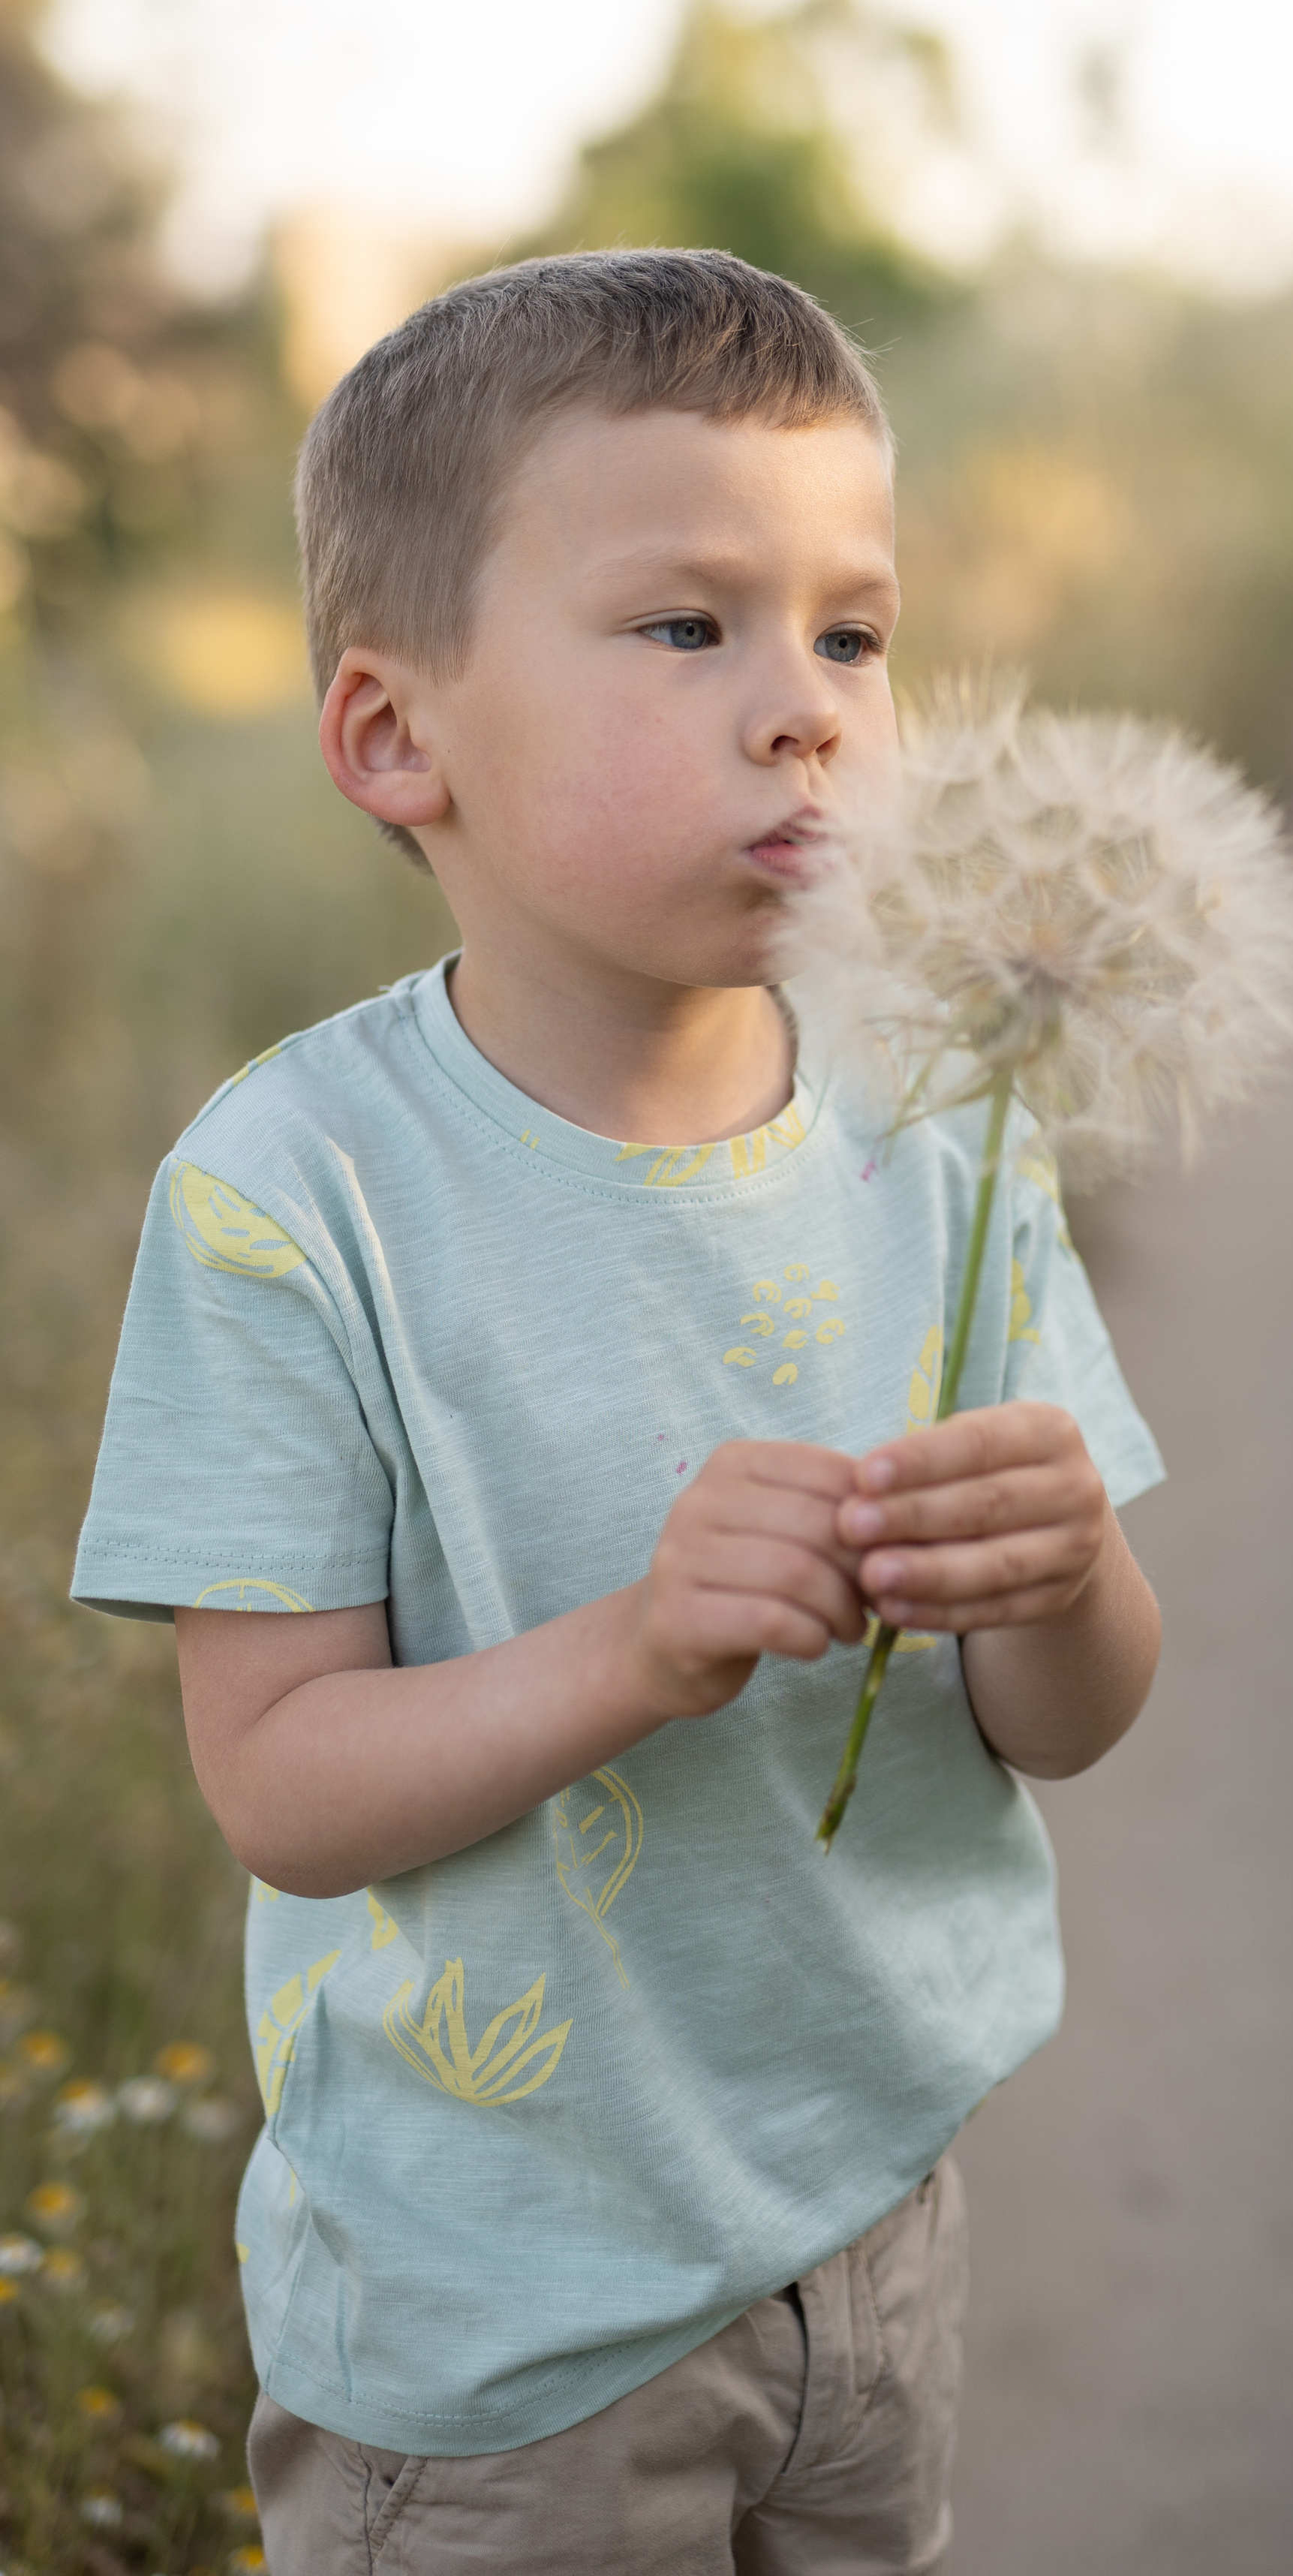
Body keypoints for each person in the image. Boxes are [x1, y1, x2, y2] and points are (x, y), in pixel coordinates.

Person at [71, 250, 1165, 2574]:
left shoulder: (946, 1126)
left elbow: (1067, 1716)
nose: (803, 711)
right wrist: (635, 1646)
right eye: (688, 627)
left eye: (850, 633)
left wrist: (1066, 1571)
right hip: (498, 2330)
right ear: (396, 736)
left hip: (870, 2215)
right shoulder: (294, 1199)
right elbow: (282, 1784)